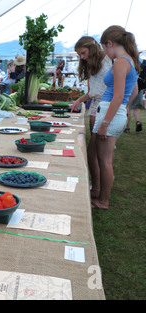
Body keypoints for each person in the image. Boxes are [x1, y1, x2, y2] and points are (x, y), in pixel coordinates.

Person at [91, 25, 140, 210]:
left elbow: (118, 95)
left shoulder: (120, 62)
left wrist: (105, 123)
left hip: (109, 113)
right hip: (114, 111)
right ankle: (100, 196)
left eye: (104, 47)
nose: (104, 52)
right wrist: (124, 108)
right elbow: (133, 91)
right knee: (105, 159)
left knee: (105, 161)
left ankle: (103, 201)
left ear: (110, 43)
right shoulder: (129, 61)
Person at [71, 37, 113, 199]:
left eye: (83, 53)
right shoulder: (94, 63)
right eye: (80, 54)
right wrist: (81, 99)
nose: (82, 57)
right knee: (96, 153)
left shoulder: (108, 61)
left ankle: (98, 189)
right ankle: (97, 187)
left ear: (92, 47)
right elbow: (94, 90)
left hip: (105, 107)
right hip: (96, 106)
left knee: (96, 152)